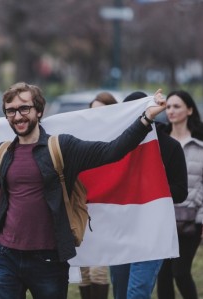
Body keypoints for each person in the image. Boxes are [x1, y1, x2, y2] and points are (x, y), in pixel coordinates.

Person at [0, 82, 167, 299]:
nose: (18, 116)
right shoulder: (2, 153)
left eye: (24, 108)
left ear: (39, 110)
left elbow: (112, 150)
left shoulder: (62, 147)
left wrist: (145, 119)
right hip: (7, 259)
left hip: (49, 261)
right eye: (11, 111)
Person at [108, 91, 188, 299]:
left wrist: (150, 191)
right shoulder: (115, 147)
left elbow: (181, 191)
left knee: (137, 293)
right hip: (121, 233)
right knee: (120, 291)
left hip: (152, 233)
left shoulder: (170, 147)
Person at [157, 90, 203, 299]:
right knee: (163, 274)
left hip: (191, 220)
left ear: (190, 110)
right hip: (162, 218)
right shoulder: (159, 141)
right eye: (168, 107)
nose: (171, 111)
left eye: (177, 106)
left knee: (181, 272)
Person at [79, 91, 118, 299]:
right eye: (92, 111)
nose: (96, 116)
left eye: (102, 111)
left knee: (98, 270)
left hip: (106, 212)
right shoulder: (81, 139)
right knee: (83, 271)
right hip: (83, 211)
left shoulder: (118, 140)